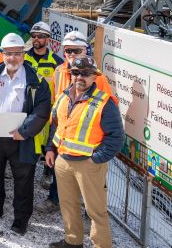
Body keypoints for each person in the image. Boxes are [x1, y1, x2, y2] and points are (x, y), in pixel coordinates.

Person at [0, 33, 51, 235]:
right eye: (8, 53)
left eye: (17, 53)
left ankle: (21, 219)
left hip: (21, 140)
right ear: (3, 54)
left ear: (23, 55)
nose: (12, 58)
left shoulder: (36, 80)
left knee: (23, 181)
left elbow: (42, 110)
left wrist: (24, 132)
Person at [47, 57, 124, 248]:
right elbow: (56, 125)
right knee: (68, 204)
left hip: (88, 165)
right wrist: (50, 148)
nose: (80, 77)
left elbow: (116, 137)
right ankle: (73, 242)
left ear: (94, 77)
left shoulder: (104, 102)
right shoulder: (64, 97)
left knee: (95, 211)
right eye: (76, 73)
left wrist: (95, 159)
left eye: (86, 74)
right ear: (70, 74)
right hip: (63, 160)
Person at [36, 32, 117, 215]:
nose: (71, 54)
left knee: (90, 184)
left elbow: (106, 108)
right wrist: (51, 142)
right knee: (60, 172)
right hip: (63, 132)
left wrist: (98, 152)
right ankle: (54, 200)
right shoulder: (59, 72)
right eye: (67, 51)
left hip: (87, 139)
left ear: (85, 50)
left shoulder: (98, 78)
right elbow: (56, 102)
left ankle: (90, 215)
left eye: (76, 50)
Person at [24, 21, 64, 191]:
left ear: (48, 39)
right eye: (34, 36)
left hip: (48, 112)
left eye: (40, 36)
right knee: (26, 141)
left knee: (49, 144)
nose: (36, 39)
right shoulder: (23, 58)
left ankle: (47, 172)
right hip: (26, 108)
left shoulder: (56, 62)